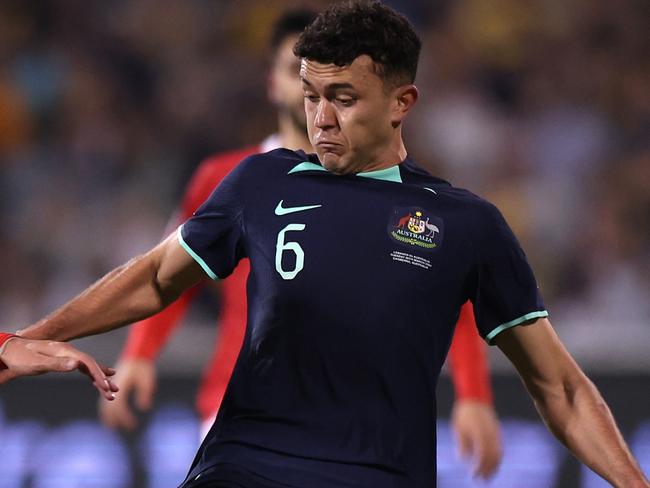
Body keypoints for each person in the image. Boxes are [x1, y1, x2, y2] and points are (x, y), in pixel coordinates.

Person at [0, 2, 647, 487]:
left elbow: (559, 389)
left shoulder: (465, 224)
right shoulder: (259, 181)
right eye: (311, 96)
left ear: (402, 102)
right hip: (243, 465)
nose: (321, 119)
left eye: (343, 98)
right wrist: (26, 338)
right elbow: (153, 278)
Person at [97, 7, 502, 478]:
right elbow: (172, 273)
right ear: (273, 82)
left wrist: (473, 393)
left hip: (354, 426)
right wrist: (139, 355)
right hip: (243, 411)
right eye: (296, 73)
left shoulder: (391, 187)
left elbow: (442, 288)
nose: (308, 90)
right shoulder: (228, 177)